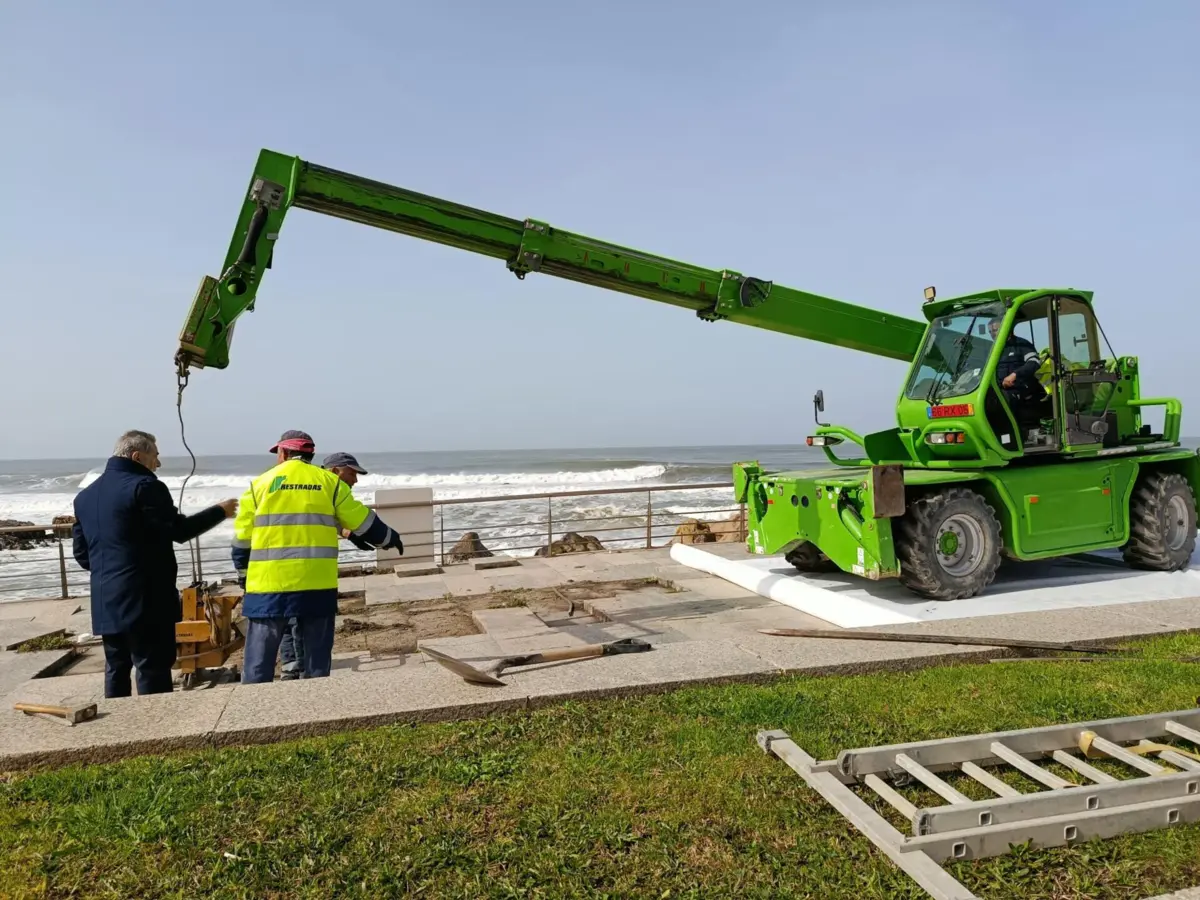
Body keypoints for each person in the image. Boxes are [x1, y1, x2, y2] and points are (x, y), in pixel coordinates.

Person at [71, 430, 237, 698]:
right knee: (152, 668)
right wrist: (220, 511)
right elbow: (179, 531)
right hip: (146, 599)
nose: (158, 464)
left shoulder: (85, 497)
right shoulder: (145, 486)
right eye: (155, 456)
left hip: (105, 599)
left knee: (116, 667)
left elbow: (82, 554)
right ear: (137, 456)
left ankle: (117, 722)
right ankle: (154, 722)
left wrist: (114, 570)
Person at [231, 430, 404, 683]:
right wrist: (388, 538)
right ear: (310, 455)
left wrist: (244, 576)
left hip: (267, 587)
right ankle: (315, 702)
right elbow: (362, 520)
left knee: (259, 660)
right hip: (316, 584)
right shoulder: (330, 483)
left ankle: (254, 704)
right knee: (317, 663)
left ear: (283, 453)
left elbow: (242, 540)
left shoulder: (259, 485)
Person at [278, 451, 373, 680]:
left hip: (296, 567)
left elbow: (326, 517)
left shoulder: (318, 488)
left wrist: (349, 534)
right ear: (335, 471)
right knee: (297, 622)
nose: (355, 480)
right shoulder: (318, 487)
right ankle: (298, 673)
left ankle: (292, 668)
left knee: (291, 620)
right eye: (351, 474)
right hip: (294, 566)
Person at [988, 316, 1045, 422]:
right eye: (990, 331)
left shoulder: (1022, 344)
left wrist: (1014, 375)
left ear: (1007, 328)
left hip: (1020, 388)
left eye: (995, 330)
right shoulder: (991, 350)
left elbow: (1034, 362)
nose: (992, 334)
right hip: (999, 389)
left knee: (1001, 401)